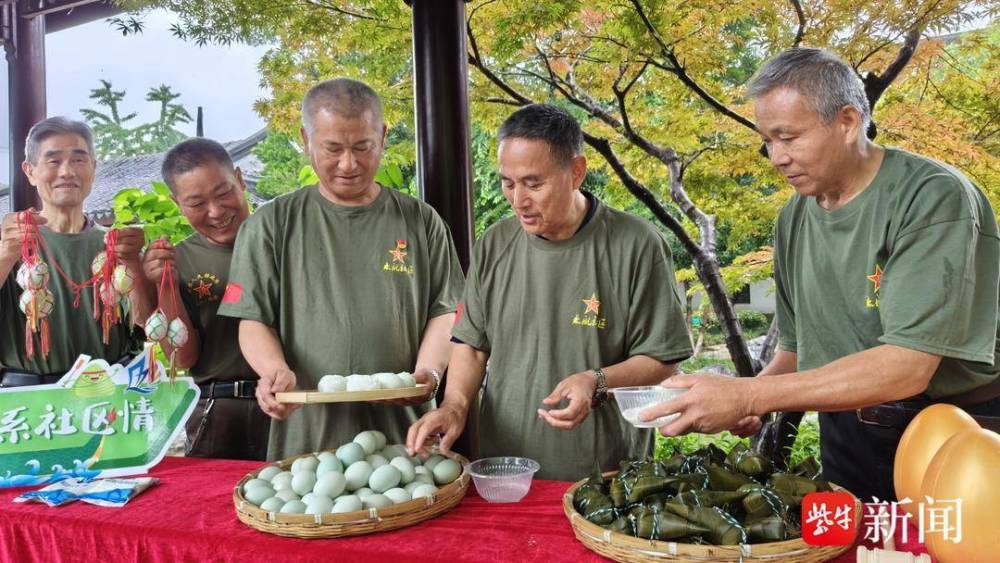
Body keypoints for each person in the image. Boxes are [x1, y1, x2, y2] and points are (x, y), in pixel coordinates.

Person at [640, 47, 1000, 503]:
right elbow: (795, 346)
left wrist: (752, 398)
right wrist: (753, 391)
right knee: (854, 547)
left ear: (848, 122)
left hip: (955, 429)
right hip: (848, 429)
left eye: (788, 137)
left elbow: (909, 364)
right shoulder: (794, 216)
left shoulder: (931, 198)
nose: (776, 157)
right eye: (767, 141)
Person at [407, 104, 693, 481]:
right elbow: (472, 345)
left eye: (533, 183)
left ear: (576, 172)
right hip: (508, 470)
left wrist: (596, 382)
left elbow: (662, 358)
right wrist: (455, 406)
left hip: (606, 476)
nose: (518, 200)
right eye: (507, 183)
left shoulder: (636, 244)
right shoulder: (495, 243)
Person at [216, 78, 465, 460]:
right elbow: (252, 318)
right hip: (307, 433)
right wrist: (273, 370)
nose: (348, 164)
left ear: (382, 137)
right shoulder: (270, 224)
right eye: (332, 148)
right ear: (305, 139)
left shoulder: (421, 221)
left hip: (407, 432)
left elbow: (446, 310)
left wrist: (429, 374)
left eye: (362, 147)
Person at [140, 138, 269, 460]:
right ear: (177, 202)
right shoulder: (177, 260)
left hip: (290, 403)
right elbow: (181, 359)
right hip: (217, 409)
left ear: (239, 179)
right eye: (197, 204)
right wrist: (163, 285)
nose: (215, 211)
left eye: (224, 192)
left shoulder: (284, 239)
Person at [0, 117, 151, 386]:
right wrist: (5, 257)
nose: (67, 171)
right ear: (30, 171)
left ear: (93, 168)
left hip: (109, 396)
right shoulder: (9, 242)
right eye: (53, 161)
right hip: (31, 403)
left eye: (79, 160)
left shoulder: (118, 245)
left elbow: (149, 325)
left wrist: (136, 266)